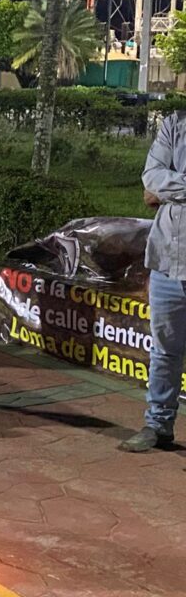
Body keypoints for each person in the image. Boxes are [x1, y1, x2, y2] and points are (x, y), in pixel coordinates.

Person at [120, 112, 186, 452]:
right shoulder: (175, 124)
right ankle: (158, 425)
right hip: (167, 262)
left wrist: (172, 188)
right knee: (164, 351)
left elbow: (160, 187)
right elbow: (151, 179)